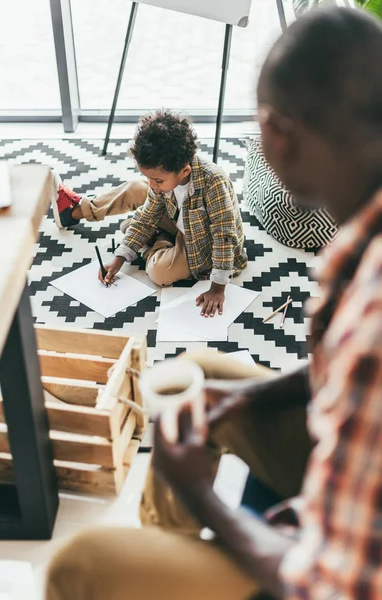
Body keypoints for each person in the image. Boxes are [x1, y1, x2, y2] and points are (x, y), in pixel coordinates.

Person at [46, 7, 382, 599]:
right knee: (196, 379)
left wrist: (210, 503)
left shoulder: (365, 287)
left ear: (276, 134)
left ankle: (182, 560)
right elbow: (343, 367)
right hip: (349, 458)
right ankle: (174, 550)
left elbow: (338, 580)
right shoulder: (357, 241)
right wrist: (245, 392)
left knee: (81, 563)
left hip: (341, 561)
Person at [51, 109, 247, 317]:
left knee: (160, 272)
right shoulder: (160, 183)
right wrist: (119, 259)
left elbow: (224, 236)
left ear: (185, 172)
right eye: (149, 178)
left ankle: (158, 240)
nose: (152, 185)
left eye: (158, 180)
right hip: (178, 219)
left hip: (203, 245)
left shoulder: (213, 182)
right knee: (138, 192)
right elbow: (146, 218)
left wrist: (217, 288)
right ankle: (77, 210)